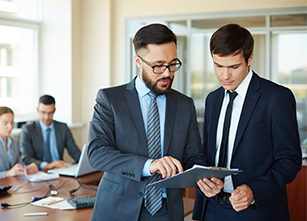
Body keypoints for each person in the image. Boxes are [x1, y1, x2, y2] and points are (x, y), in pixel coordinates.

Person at [88, 23, 206, 221]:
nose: (167, 73)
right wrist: (149, 165)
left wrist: (204, 176)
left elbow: (194, 157)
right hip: (118, 209)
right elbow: (97, 153)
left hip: (168, 210)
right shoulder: (110, 99)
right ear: (138, 61)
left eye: (172, 63)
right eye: (158, 65)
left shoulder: (185, 105)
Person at [192, 23, 302, 221]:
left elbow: (290, 159)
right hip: (210, 209)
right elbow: (206, 152)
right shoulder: (212, 99)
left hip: (256, 210)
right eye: (218, 66)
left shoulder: (277, 98)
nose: (225, 75)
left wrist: (254, 190)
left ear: (249, 58)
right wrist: (204, 178)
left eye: (234, 66)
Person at [19, 95, 81, 170]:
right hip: (40, 171)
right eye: (43, 112)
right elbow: (26, 158)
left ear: (54, 110)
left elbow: (75, 153)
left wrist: (86, 163)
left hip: (60, 170)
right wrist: (47, 165)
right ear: (37, 110)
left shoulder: (63, 127)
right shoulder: (28, 129)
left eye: (50, 113)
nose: (46, 117)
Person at [0, 106, 38, 178]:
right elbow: (10, 172)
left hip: (13, 184)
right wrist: (7, 173)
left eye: (12, 122)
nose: (10, 127)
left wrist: (28, 168)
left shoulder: (13, 142)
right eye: (5, 123)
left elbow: (19, 164)